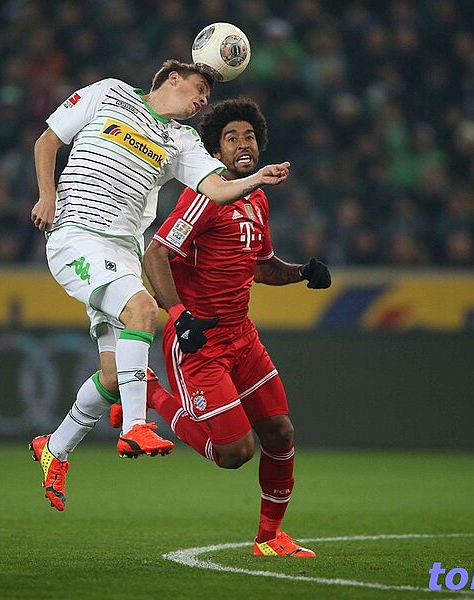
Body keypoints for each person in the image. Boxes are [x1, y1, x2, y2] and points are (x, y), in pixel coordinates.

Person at [28, 61, 292, 511]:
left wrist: (256, 179)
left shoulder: (181, 140)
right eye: (200, 86)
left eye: (208, 93)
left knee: (113, 376)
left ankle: (55, 447)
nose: (203, 98)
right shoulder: (109, 92)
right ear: (173, 77)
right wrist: (47, 195)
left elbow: (217, 189)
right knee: (144, 310)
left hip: (122, 253)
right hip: (77, 234)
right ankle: (135, 426)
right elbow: (48, 140)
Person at [114, 98, 330, 556]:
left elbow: (262, 266)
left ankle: (269, 538)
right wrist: (178, 315)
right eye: (232, 138)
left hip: (242, 337)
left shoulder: (257, 199)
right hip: (199, 341)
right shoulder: (204, 196)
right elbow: (155, 254)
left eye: (249, 136)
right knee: (235, 454)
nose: (242, 143)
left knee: (281, 433)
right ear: (216, 151)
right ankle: (151, 392)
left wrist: (302, 272)